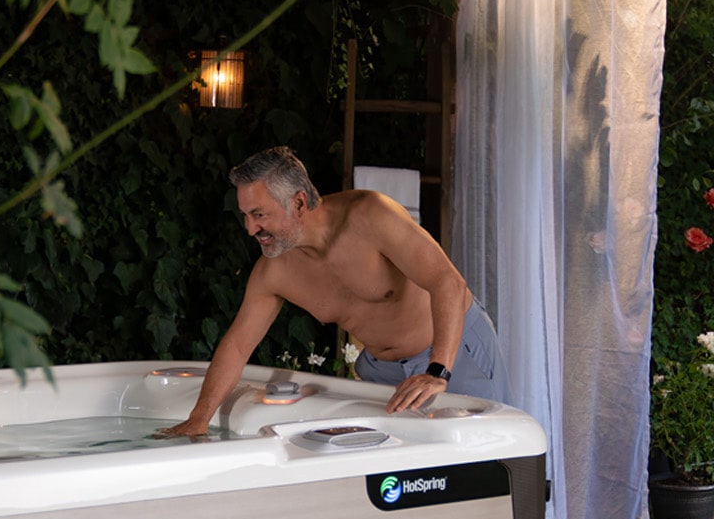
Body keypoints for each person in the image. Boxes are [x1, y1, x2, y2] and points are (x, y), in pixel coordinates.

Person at [155, 146, 506, 438]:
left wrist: (438, 372)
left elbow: (447, 282)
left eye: (259, 214)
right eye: (246, 216)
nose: (250, 229)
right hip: (382, 372)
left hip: (452, 351)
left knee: (489, 458)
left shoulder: (369, 216)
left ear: (298, 202)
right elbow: (237, 345)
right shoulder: (274, 271)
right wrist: (198, 419)